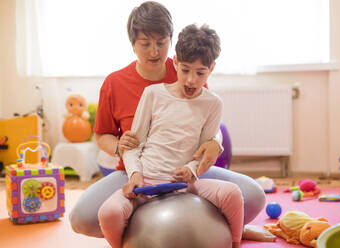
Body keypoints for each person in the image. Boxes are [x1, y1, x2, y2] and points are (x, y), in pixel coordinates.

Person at [69, 0, 265, 238]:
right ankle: (145, 228)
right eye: (146, 44)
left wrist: (216, 142)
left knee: (253, 195)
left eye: (161, 43)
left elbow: (210, 122)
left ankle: (217, 228)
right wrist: (121, 149)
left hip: (185, 171)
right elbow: (102, 134)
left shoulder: (187, 70)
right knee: (81, 219)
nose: (154, 51)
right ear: (133, 45)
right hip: (138, 173)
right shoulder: (115, 83)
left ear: (170, 42)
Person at [98, 24, 244, 248]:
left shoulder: (213, 104)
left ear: (211, 68)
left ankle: (235, 242)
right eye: (185, 70)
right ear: (174, 62)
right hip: (144, 184)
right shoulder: (153, 94)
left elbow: (204, 151)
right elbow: (133, 145)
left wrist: (192, 170)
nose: (191, 80)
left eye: (200, 73)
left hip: (184, 185)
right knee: (108, 213)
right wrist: (135, 174)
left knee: (233, 193)